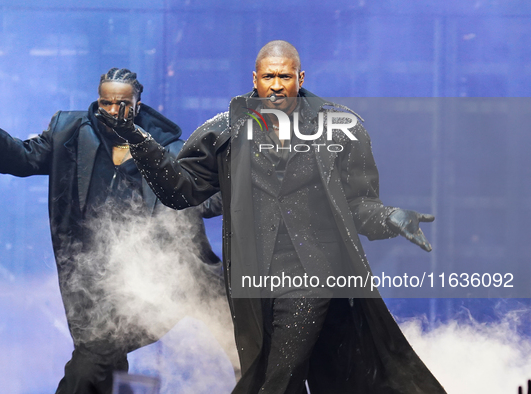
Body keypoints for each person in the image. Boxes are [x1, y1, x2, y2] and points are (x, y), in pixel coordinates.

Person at [107, 41, 446, 393]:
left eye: (285, 76)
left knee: (278, 378)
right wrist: (138, 139)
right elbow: (180, 192)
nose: (277, 84)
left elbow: (358, 205)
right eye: (269, 76)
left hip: (314, 275)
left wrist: (391, 217)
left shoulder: (342, 129)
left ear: (300, 78)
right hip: (253, 281)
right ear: (255, 79)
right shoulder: (224, 132)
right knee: (269, 375)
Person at [0, 67, 222, 394]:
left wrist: (248, 180)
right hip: (93, 287)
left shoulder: (166, 150)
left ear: (138, 105)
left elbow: (204, 200)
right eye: (105, 103)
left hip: (151, 283)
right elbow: (21, 159)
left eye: (123, 104)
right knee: (99, 367)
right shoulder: (69, 134)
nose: (114, 111)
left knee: (94, 361)